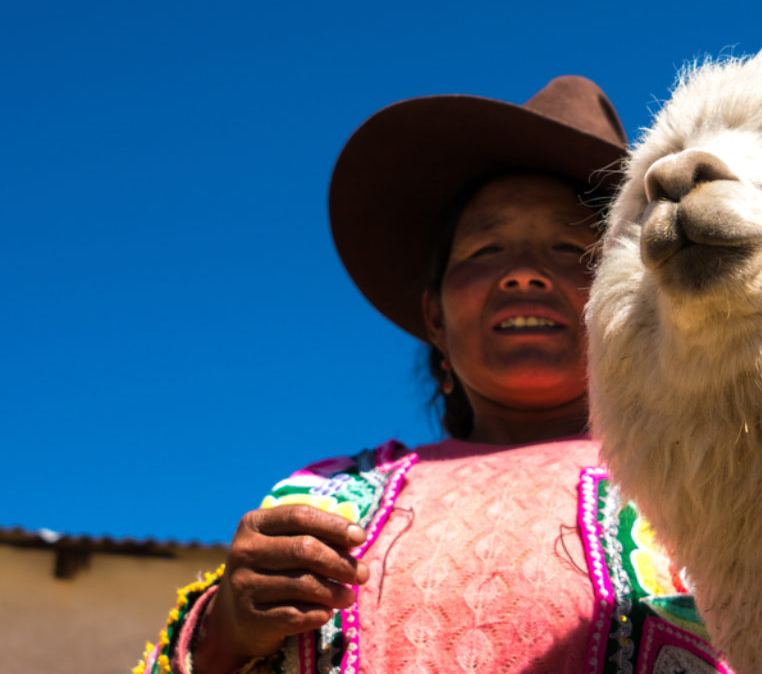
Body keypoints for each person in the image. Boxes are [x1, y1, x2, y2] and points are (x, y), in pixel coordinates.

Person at [135, 77, 729, 674]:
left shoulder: (718, 488)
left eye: (572, 251)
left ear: (636, 299)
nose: (524, 273)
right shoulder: (328, 498)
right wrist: (227, 633)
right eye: (485, 250)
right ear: (434, 319)